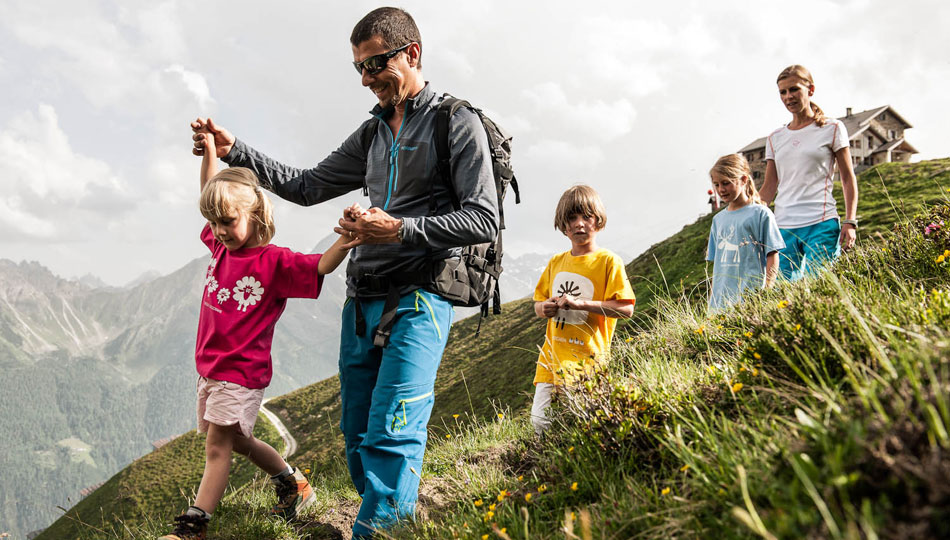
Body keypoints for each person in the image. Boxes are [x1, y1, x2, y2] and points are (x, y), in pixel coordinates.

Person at [189, 7, 499, 538]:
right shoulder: (373, 133)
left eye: (376, 63)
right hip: (362, 297)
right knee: (357, 435)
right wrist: (233, 150)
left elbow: (484, 217)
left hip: (421, 296)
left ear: (412, 54)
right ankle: (388, 514)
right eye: (358, 68)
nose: (366, 78)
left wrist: (397, 229)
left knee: (392, 432)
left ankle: (377, 531)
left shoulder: (456, 122)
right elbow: (307, 185)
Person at [160, 134, 353, 540]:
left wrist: (347, 239)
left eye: (228, 221)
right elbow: (212, 191)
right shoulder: (220, 247)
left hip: (240, 373)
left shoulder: (273, 262)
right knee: (240, 442)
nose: (219, 229)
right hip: (212, 370)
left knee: (218, 448)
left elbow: (319, 267)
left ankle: (193, 527)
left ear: (254, 214)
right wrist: (211, 151)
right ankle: (292, 482)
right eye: (214, 222)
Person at [531, 185, 635, 433]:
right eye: (572, 218)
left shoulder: (609, 261)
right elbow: (538, 303)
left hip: (589, 361)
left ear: (598, 221)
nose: (579, 224)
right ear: (562, 224)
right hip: (550, 359)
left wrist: (581, 304)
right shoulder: (556, 262)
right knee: (540, 423)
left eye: (586, 217)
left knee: (581, 426)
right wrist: (544, 308)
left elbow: (625, 309)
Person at [759, 64, 859, 281]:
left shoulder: (832, 128)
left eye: (794, 89)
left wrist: (850, 221)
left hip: (821, 222)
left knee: (822, 287)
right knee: (782, 293)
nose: (788, 97)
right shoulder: (775, 138)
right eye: (783, 92)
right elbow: (769, 187)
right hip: (783, 226)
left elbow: (848, 178)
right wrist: (746, 217)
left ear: (810, 90)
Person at [706, 154, 785, 312]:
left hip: (750, 298)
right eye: (717, 184)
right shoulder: (717, 220)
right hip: (719, 305)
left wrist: (767, 289)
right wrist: (711, 301)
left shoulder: (761, 213)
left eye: (726, 183)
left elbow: (772, 254)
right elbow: (717, 266)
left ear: (743, 180)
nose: (721, 189)